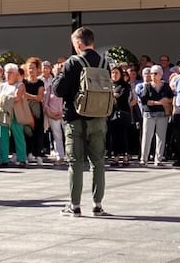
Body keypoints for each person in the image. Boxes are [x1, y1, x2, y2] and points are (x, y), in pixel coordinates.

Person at [55, 26, 110, 217]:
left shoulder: (73, 62)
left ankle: (75, 205)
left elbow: (58, 91)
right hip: (98, 118)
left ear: (78, 43)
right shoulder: (104, 63)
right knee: (98, 162)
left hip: (75, 118)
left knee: (75, 163)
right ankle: (97, 204)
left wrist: (58, 74)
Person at [139, 65, 171, 166]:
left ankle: (159, 159)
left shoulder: (166, 86)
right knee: (147, 136)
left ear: (161, 74)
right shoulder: (147, 86)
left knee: (161, 137)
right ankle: (144, 159)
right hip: (149, 114)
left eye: (155, 73)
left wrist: (165, 101)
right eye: (151, 73)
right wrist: (158, 103)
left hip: (162, 114)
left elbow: (171, 98)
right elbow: (144, 100)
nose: (152, 75)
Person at [22, 57, 46, 166]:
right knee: (27, 132)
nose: (31, 70)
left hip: (37, 112)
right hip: (25, 110)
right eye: (29, 68)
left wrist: (27, 96)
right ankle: (28, 153)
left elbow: (40, 98)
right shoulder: (23, 82)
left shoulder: (40, 82)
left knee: (38, 133)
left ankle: (38, 155)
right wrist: (32, 97)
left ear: (37, 69)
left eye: (33, 68)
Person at [45, 63, 67, 164]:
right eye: (56, 71)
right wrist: (50, 114)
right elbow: (46, 103)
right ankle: (60, 156)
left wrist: (62, 113)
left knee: (68, 135)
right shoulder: (50, 87)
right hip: (53, 115)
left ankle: (70, 155)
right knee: (57, 135)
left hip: (64, 114)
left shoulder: (67, 85)